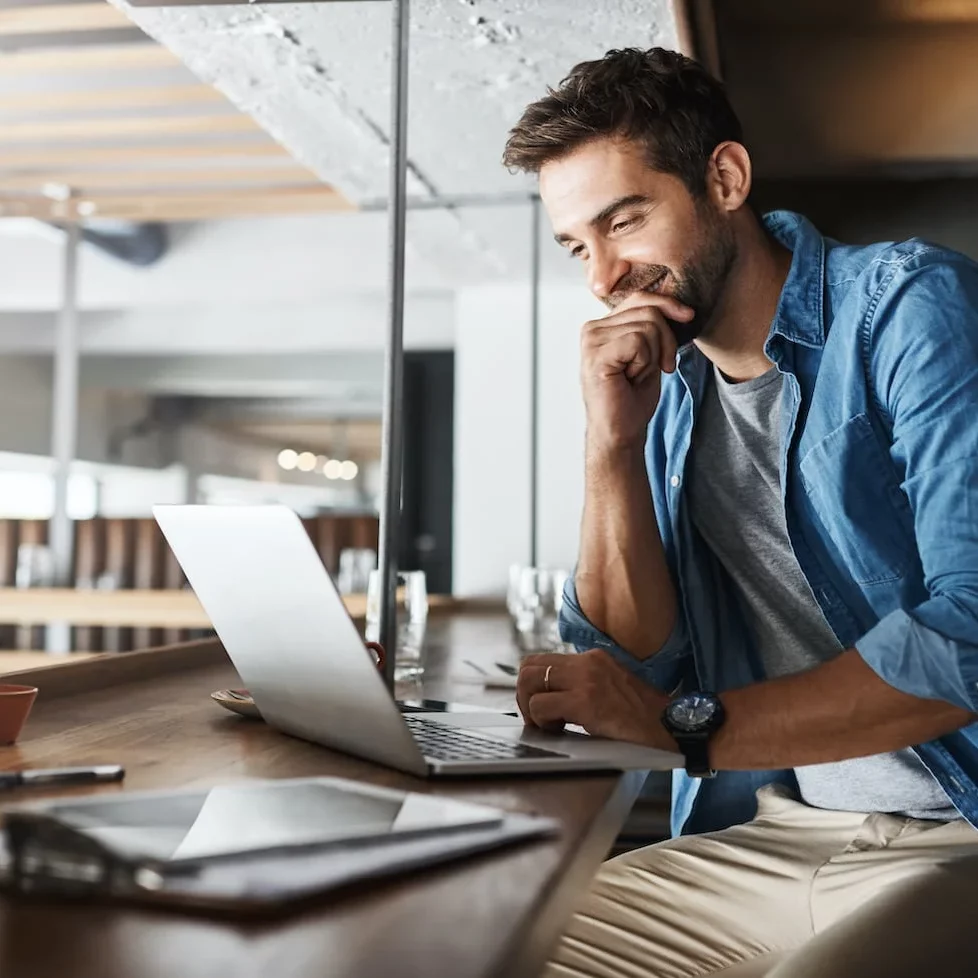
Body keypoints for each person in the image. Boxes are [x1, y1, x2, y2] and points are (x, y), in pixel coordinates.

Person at [503, 47, 978, 977]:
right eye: (576, 247)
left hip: (957, 829)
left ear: (724, 178)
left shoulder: (909, 307)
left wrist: (690, 726)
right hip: (779, 831)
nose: (604, 278)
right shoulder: (672, 397)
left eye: (624, 221)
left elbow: (970, 636)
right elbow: (631, 661)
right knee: (498, 947)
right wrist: (612, 447)